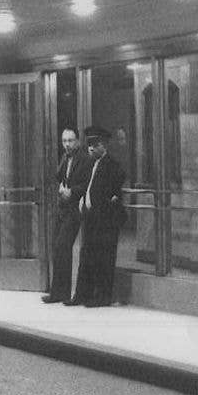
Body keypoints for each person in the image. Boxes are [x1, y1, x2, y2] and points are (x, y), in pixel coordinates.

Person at [70, 126, 127, 308]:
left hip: (105, 220)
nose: (91, 148)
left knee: (104, 258)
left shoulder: (112, 165)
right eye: (89, 145)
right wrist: (83, 201)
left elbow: (113, 191)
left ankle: (102, 297)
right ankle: (82, 295)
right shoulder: (90, 165)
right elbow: (86, 187)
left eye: (95, 145)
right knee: (87, 256)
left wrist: (105, 203)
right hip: (90, 218)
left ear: (104, 146)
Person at [42, 129, 91, 304]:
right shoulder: (64, 157)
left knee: (63, 246)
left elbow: (87, 184)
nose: (67, 144)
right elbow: (59, 177)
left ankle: (61, 292)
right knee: (57, 248)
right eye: (64, 141)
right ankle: (58, 292)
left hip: (75, 209)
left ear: (77, 141)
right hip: (63, 209)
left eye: (70, 141)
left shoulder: (85, 159)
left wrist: (72, 191)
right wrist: (61, 188)